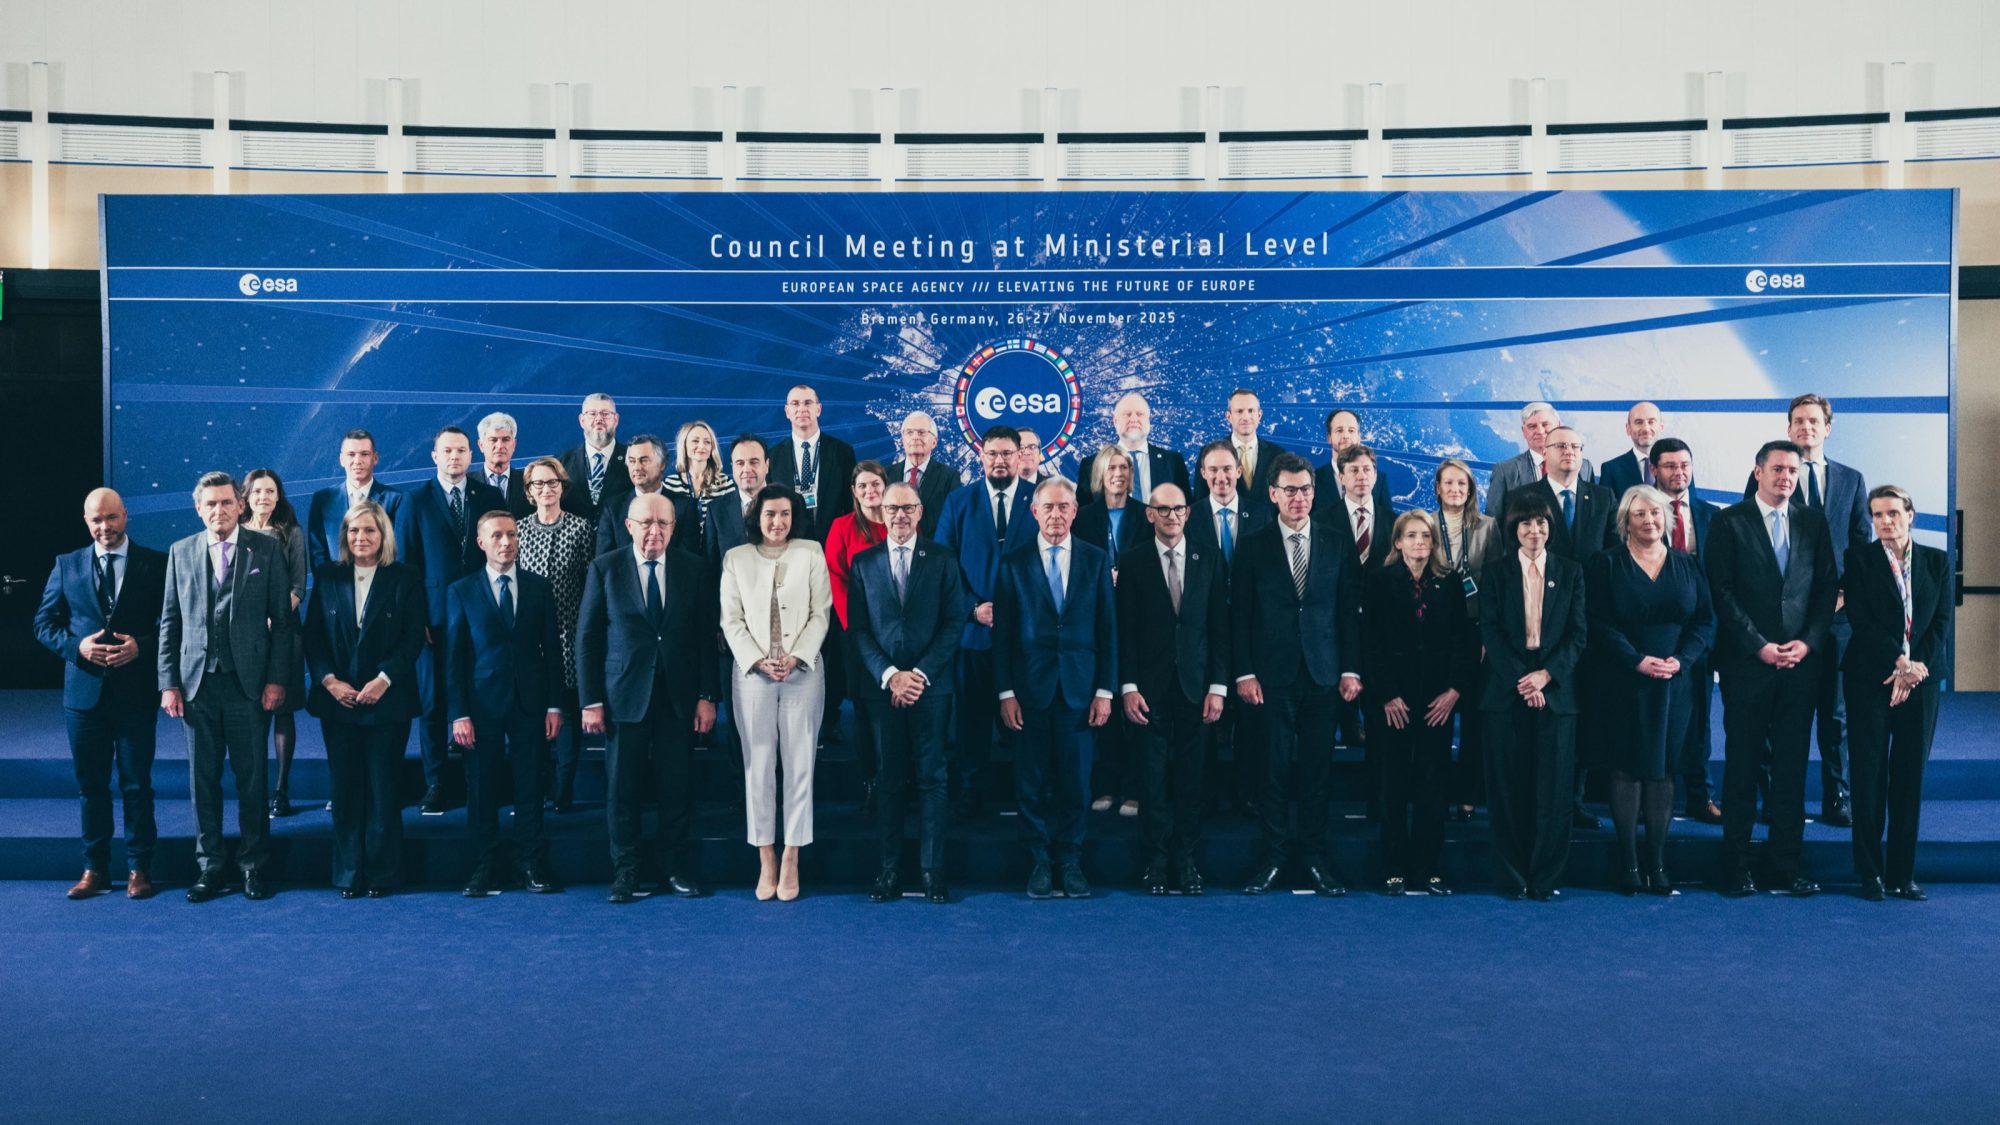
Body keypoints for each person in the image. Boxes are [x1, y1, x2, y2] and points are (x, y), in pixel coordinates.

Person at [1706, 440, 1836, 898]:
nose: (1786, 478)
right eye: (1778, 469)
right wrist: (1758, 645)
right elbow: (1721, 592)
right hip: (1747, 666)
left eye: (1793, 471)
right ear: (1758, 471)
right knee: (1742, 768)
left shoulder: (1813, 521)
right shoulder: (1728, 521)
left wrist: (1809, 641)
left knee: (1791, 770)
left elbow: (1826, 588)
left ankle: (1785, 864)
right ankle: (1736, 865)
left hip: (1800, 666)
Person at [158, 471, 295, 902]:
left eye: (226, 503)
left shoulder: (267, 550)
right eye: (210, 504)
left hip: (248, 685)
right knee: (202, 782)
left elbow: (283, 624)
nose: (219, 511)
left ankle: (253, 866)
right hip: (196, 686)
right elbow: (170, 622)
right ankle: (210, 867)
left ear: (240, 505)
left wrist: (276, 680)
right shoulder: (180, 551)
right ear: (198, 509)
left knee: (252, 781)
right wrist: (168, 683)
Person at [578, 492, 719, 904]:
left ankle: (674, 867)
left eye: (663, 523)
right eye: (646, 523)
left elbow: (705, 638)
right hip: (623, 697)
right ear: (628, 526)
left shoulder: (694, 568)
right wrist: (590, 700)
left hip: (679, 697)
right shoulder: (605, 567)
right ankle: (626, 870)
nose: (654, 531)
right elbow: (588, 638)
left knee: (677, 787)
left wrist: (707, 695)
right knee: (622, 789)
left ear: (674, 528)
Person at [1741, 394, 1873, 828]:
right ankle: (1773, 796)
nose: (1806, 427)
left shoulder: (1851, 479)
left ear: (1827, 428)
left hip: (1837, 616)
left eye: (1814, 421)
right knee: (1777, 712)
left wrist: (1844, 593)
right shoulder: (1768, 475)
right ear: (1789, 427)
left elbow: (1860, 546)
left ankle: (1838, 797)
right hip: (1781, 617)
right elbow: (1754, 543)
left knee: (1835, 715)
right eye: (1798, 420)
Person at [1235, 454, 1364, 897]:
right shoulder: (1253, 545)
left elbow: (1348, 611)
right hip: (1271, 676)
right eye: (1289, 490)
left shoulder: (1336, 541)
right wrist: (1244, 672)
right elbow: (1241, 616)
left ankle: (1313, 858)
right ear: (1273, 494)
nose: (1299, 498)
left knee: (1317, 773)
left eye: (1306, 489)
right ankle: (1273, 858)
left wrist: (1350, 668)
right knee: (1272, 772)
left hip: (1324, 674)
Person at [36, 489, 166, 900]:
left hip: (135, 694)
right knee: (91, 786)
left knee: (136, 784)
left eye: (111, 517)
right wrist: (78, 647)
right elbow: (44, 624)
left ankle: (139, 868)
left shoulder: (156, 563)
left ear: (125, 515)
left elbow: (174, 623)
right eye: (96, 520)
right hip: (83, 698)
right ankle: (95, 869)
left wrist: (141, 646)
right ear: (86, 520)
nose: (104, 527)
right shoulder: (67, 564)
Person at [1585, 486, 1716, 896]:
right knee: (1627, 768)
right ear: (1625, 520)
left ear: (1667, 518)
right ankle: (1628, 863)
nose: (1649, 520)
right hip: (1623, 679)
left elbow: (1705, 621)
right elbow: (1598, 622)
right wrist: (1636, 660)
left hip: (1676, 682)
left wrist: (1682, 660)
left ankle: (1657, 864)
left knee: (1664, 769)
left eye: (1656, 513)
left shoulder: (1688, 564)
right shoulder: (1606, 564)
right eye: (1639, 513)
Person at [994, 476, 1116, 899]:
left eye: (1064, 507)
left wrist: (1105, 691)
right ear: (1034, 512)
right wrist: (1006, 693)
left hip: (1080, 692)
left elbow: (1108, 630)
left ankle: (1070, 860)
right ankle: (1039, 862)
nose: (1056, 515)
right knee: (1030, 783)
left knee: (1076, 784)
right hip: (1028, 692)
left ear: (1075, 511)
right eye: (1048, 507)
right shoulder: (1013, 562)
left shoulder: (1095, 559)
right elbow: (1003, 637)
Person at [847, 481, 965, 903]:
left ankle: (933, 871)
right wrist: (890, 676)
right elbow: (859, 630)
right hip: (882, 690)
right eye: (892, 508)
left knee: (933, 779)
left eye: (908, 508)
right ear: (881, 514)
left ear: (920, 513)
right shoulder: (863, 563)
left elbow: (954, 622)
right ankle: (890, 869)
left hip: (930, 688)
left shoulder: (943, 559)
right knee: (889, 779)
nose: (900, 515)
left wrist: (917, 674)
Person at [301, 502, 424, 898]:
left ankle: (382, 874)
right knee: (346, 789)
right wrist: (329, 681)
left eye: (369, 530)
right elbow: (313, 636)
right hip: (338, 701)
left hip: (387, 700)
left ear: (383, 535)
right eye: (353, 531)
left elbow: (412, 638)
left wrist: (384, 680)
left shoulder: (405, 577)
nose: (361, 538)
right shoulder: (328, 576)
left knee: (383, 788)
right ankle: (349, 874)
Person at [720, 485, 832, 902]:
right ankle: (765, 855)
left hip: (803, 673)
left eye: (785, 514)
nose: (778, 522)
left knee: (801, 765)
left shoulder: (811, 552)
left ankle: (791, 857)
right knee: (759, 765)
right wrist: (757, 659)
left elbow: (821, 613)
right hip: (753, 675)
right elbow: (730, 620)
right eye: (770, 514)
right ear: (757, 516)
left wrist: (798, 656)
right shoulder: (736, 558)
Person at [447, 511, 567, 897]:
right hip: (480, 706)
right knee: (481, 788)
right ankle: (485, 865)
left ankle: (531, 863)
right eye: (497, 535)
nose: (506, 542)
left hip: (530, 702)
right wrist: (459, 713)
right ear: (481, 542)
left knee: (530, 785)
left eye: (512, 535)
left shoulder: (538, 587)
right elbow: (453, 659)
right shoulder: (461, 591)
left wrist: (554, 706)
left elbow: (552, 651)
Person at [1117, 483, 1227, 894]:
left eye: (1178, 509)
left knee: (1191, 780)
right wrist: (1128, 686)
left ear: (1188, 513)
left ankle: (1186, 861)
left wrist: (1218, 686)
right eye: (1163, 510)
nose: (1172, 516)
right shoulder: (1133, 561)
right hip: (1148, 690)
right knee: (1152, 780)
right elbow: (1125, 630)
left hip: (1197, 688)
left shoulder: (1209, 558)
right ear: (1150, 514)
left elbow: (1220, 627)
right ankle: (1156, 864)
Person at [1842, 485, 1949, 902]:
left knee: (1909, 778)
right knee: (1868, 776)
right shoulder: (1859, 560)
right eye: (1877, 515)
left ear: (1910, 515)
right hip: (1871, 679)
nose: (1885, 521)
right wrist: (1898, 662)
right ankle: (1869, 873)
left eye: (1892, 513)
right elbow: (1861, 619)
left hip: (1921, 681)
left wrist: (1914, 668)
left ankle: (1902, 874)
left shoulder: (1936, 561)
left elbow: (1940, 622)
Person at [1479, 493, 1587, 902]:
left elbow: (1579, 635)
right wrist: (1523, 681)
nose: (1534, 530)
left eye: (1541, 523)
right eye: (1525, 523)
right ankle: (1511, 876)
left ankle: (1544, 877)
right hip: (1506, 689)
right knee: (1508, 789)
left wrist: (1545, 676)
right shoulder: (1495, 571)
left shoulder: (1571, 572)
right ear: (1514, 528)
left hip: (1555, 688)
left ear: (1550, 527)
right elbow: (1489, 630)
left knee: (1554, 792)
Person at [1365, 510, 1476, 896]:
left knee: (1433, 786)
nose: (1419, 543)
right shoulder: (1379, 581)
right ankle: (1393, 868)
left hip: (1437, 700)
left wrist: (1454, 691)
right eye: (1411, 536)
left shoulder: (1450, 582)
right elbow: (1371, 642)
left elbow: (1463, 640)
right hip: (1393, 700)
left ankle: (1428, 869)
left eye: (1425, 536)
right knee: (1393, 785)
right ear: (1398, 542)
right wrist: (1386, 694)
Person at [934, 426, 1038, 816]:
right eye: (992, 453)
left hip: (1026, 637)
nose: (999, 460)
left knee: (1025, 721)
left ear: (1020, 455)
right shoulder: (958, 501)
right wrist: (972, 608)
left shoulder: (1040, 499)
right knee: (972, 720)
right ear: (981, 456)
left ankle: (1028, 793)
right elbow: (943, 567)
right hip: (973, 633)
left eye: (1007, 453)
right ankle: (971, 790)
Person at [402, 426, 506, 814]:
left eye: (461, 450)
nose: (454, 457)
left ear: (470, 455)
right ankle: (435, 783)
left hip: (481, 613)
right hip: (434, 617)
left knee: (478, 698)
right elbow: (407, 565)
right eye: (447, 450)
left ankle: (479, 780)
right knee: (433, 704)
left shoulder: (489, 496)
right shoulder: (415, 500)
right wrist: (417, 619)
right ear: (435, 456)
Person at [1532, 424, 1616, 830]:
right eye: (1560, 445)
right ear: (1545, 452)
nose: (1568, 452)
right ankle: (1540, 797)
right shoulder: (1527, 497)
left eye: (1575, 447)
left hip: (1591, 623)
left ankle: (1574, 799)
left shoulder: (1602, 497)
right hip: (1541, 621)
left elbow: (1613, 553)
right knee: (1545, 715)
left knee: (1584, 711)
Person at [1185, 440, 1270, 816]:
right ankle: (1205, 794)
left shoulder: (1262, 514)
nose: (1221, 477)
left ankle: (1247, 793)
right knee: (1205, 716)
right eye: (1213, 470)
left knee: (1252, 719)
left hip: (1253, 631)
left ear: (1239, 471)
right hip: (1205, 631)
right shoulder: (1189, 516)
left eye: (1227, 469)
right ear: (1203, 474)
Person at [514, 456, 597, 813]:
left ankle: (562, 793)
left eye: (552, 483)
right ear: (529, 491)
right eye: (539, 484)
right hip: (530, 640)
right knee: (533, 718)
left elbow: (591, 584)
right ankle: (537, 792)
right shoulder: (518, 530)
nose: (546, 489)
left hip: (570, 635)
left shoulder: (581, 529)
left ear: (562, 486)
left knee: (567, 717)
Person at [1651, 438, 1724, 824]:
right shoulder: (1640, 512)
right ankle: (1650, 799)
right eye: (1670, 466)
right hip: (1654, 634)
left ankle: (1700, 795)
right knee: (1653, 717)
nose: (1679, 473)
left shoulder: (1712, 515)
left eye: (1685, 466)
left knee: (1699, 720)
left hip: (1701, 634)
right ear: (1653, 470)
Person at [1075, 444, 1146, 817]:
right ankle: (1105, 784)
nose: (1118, 474)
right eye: (1111, 468)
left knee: (1135, 707)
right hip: (1095, 620)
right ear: (1099, 475)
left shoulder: (1144, 514)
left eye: (1124, 467)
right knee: (1102, 705)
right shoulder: (1083, 517)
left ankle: (1135, 788)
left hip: (1136, 619)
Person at [1432, 459, 1500, 823]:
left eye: (1463, 483)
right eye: (1449, 483)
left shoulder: (1488, 527)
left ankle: (1469, 795)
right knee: (1437, 715)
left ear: (1471, 489)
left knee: (1474, 718)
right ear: (1438, 488)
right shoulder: (1425, 524)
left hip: (1477, 631)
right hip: (1436, 632)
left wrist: (1489, 634)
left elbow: (1496, 584)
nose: (1456, 489)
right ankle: (1436, 792)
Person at [241, 468, 308, 818]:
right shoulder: (236, 532)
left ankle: (282, 790)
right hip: (245, 637)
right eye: (257, 491)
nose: (263, 497)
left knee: (283, 710)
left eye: (269, 491)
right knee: (251, 714)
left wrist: (276, 617)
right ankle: (254, 791)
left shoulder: (291, 533)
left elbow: (298, 586)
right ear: (246, 496)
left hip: (284, 633)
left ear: (278, 495)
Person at [824, 461, 890, 812]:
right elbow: (835, 577)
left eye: (875, 484)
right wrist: (858, 627)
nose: (870, 491)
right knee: (865, 709)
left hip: (897, 634)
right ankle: (872, 780)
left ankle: (899, 778)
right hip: (858, 635)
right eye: (862, 486)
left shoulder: (900, 521)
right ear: (854, 491)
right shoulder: (843, 526)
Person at [305, 429, 409, 572]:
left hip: (382, 584)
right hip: (335, 583)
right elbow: (317, 555)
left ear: (375, 458)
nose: (357, 461)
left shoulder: (396, 500)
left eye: (364, 454)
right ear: (342, 459)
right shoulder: (322, 500)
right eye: (351, 454)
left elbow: (399, 553)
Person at [765, 383, 858, 540]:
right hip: (789, 544)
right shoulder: (773, 457)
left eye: (808, 403)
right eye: (795, 404)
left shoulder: (843, 452)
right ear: (787, 411)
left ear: (818, 409)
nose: (802, 409)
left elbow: (851, 505)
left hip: (834, 543)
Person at [1484, 401, 1596, 518]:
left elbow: (1593, 514)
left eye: (1545, 424)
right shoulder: (1505, 472)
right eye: (1532, 426)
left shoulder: (1584, 467)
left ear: (1558, 426)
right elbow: (1493, 522)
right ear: (1523, 431)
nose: (1540, 431)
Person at [594, 434, 699, 558]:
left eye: (644, 460)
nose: (637, 467)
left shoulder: (685, 507)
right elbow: (604, 562)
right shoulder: (612, 508)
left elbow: (689, 560)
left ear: (662, 464)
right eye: (632, 461)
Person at [1078, 392, 1188, 507]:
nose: (1134, 419)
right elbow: (1084, 514)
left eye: (1140, 414)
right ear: (1115, 421)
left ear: (1148, 420)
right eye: (1127, 414)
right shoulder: (1091, 465)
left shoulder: (1173, 462)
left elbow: (1185, 509)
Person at [662, 419, 738, 554]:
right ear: (684, 445)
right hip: (680, 553)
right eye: (695, 441)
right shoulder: (670, 483)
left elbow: (731, 525)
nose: (702, 446)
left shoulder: (725, 483)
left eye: (707, 442)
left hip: (716, 553)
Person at [1208, 387, 1291, 508]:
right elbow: (1201, 502)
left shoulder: (1278, 454)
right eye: (1239, 411)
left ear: (1259, 415)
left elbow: (1283, 499)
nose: (1246, 417)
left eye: (1251, 410)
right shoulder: (1210, 454)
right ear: (1229, 416)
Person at [558, 392, 630, 521]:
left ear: (616, 419)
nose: (599, 419)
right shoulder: (561, 463)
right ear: (582, 420)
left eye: (605, 414)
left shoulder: (633, 460)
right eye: (592, 414)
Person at [1312, 409, 1393, 520]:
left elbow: (1387, 522)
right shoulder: (1313, 479)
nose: (1346, 435)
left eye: (1351, 430)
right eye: (1339, 430)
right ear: (1329, 437)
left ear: (1359, 437)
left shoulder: (1379, 479)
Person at [888, 411, 955, 539]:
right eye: (909, 432)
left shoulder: (949, 477)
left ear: (934, 442)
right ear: (902, 440)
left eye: (921, 432)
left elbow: (953, 522)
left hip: (934, 547)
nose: (915, 437)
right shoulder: (886, 475)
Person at [1597, 401, 1664, 498]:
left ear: (1661, 427)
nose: (1646, 428)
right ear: (1628, 429)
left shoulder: (1679, 466)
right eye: (1638, 422)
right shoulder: (1611, 469)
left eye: (1651, 422)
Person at [476, 411, 533, 517]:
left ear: (514, 444)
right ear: (481, 445)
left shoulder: (529, 482)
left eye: (506, 439)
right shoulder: (467, 483)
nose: (500, 446)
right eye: (493, 440)